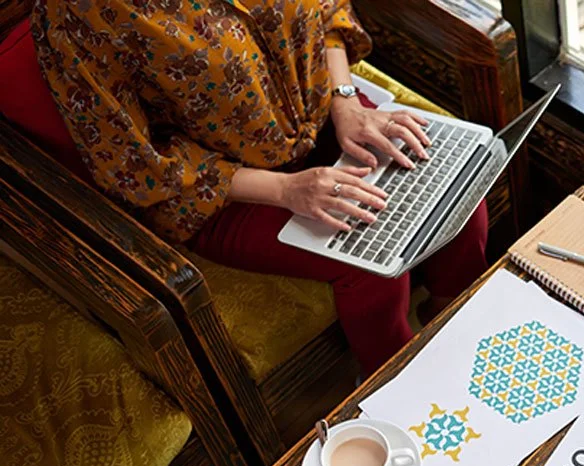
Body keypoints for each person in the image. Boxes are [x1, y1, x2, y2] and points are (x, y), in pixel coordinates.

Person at [31, 0, 489, 375]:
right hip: (222, 190)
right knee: (368, 265)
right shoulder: (78, 13)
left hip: (326, 112)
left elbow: (326, 14)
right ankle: (408, 394)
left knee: (455, 183)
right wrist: (287, 190)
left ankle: (462, 333)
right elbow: (130, 163)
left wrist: (345, 100)